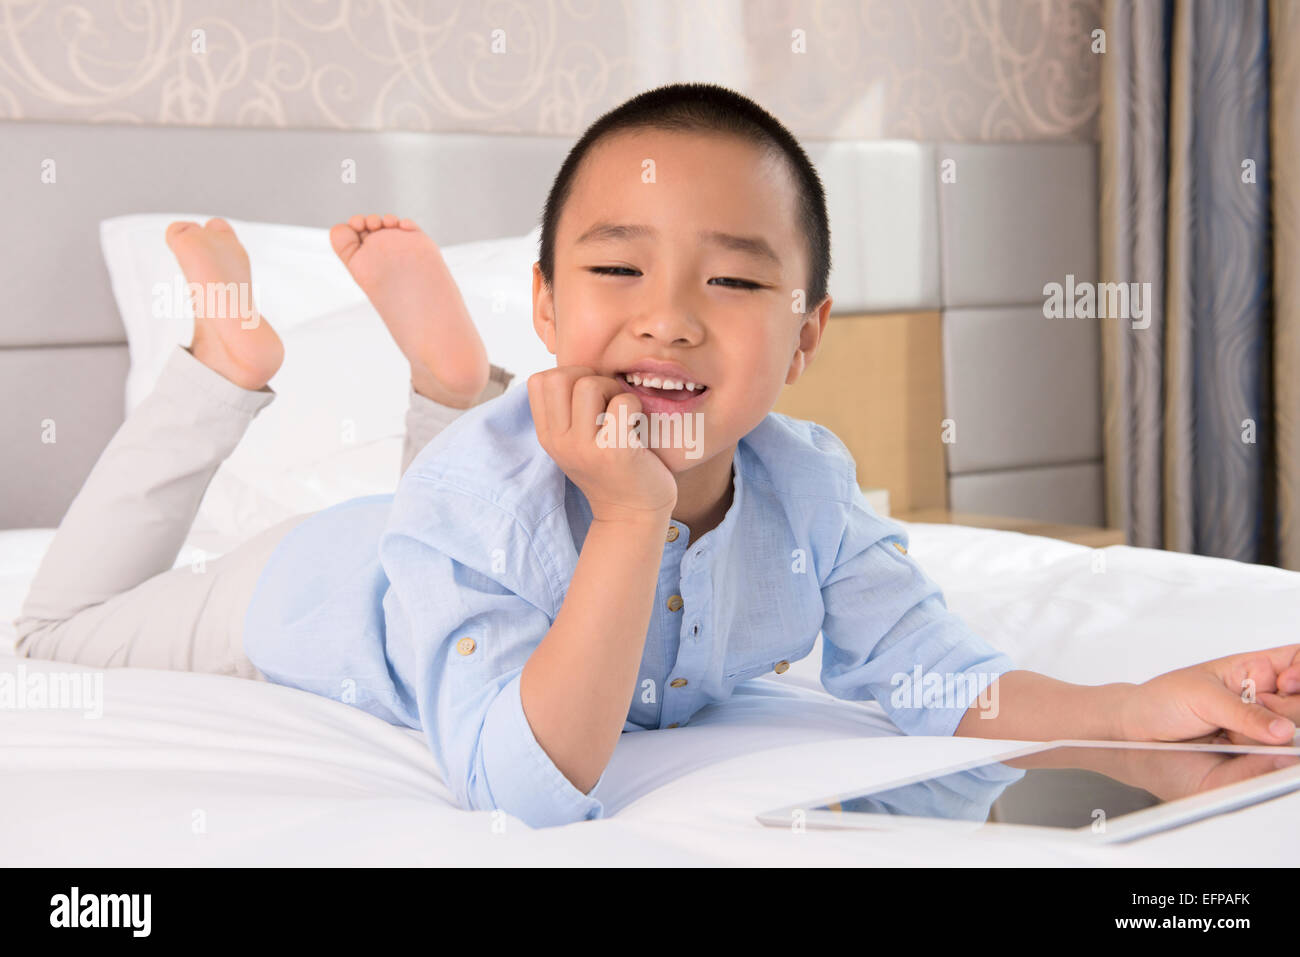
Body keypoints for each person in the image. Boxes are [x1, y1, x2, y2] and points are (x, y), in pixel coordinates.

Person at [15, 83, 1300, 830]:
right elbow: (530, 783)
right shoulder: (481, 502)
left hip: (467, 501)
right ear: (549, 304)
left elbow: (924, 677)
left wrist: (1131, 714)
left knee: (481, 474)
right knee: (58, 634)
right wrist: (627, 520)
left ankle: (451, 381)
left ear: (804, 336)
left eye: (733, 279)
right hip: (312, 588)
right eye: (617, 268)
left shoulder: (807, 483)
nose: (670, 315)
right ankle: (226, 364)